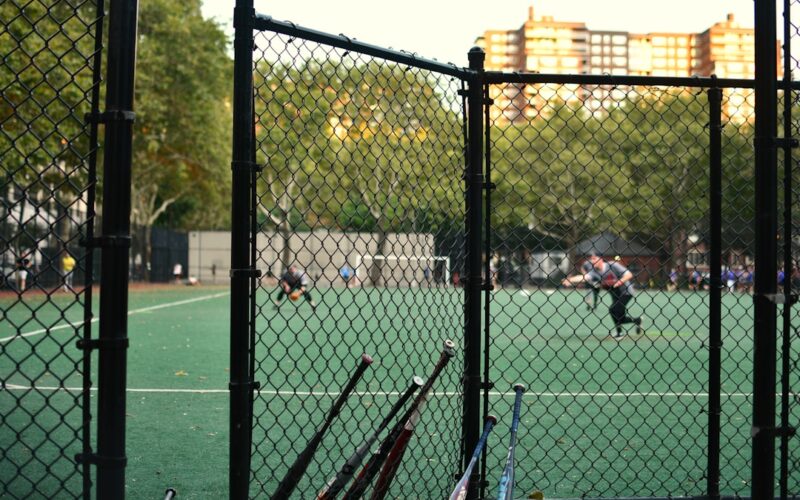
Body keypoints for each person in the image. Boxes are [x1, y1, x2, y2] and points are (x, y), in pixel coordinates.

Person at [562, 252, 643, 339]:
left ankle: (619, 333)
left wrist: (618, 282)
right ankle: (637, 320)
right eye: (591, 260)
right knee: (620, 317)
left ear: (600, 259)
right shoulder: (594, 272)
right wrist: (570, 280)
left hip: (626, 292)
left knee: (613, 310)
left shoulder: (612, 265)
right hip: (615, 294)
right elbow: (584, 277)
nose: (592, 261)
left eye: (595, 259)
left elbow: (629, 275)